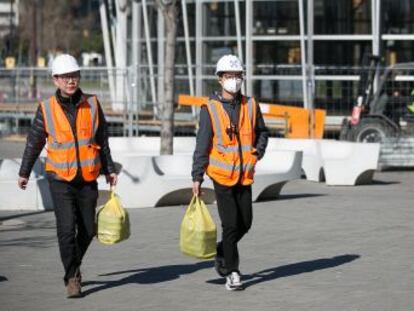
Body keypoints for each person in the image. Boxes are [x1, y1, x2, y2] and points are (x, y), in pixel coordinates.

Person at [17, 54, 117, 298]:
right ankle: (72, 277)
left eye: (74, 76)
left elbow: (101, 139)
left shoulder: (92, 104)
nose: (71, 81)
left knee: (87, 229)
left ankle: (72, 265)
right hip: (59, 177)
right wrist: (24, 172)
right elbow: (34, 142)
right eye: (66, 77)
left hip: (87, 177)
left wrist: (109, 169)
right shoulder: (46, 109)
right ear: (56, 80)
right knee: (65, 229)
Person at [191, 54, 268, 291]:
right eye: (229, 76)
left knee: (245, 222)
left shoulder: (251, 105)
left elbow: (262, 133)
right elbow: (202, 143)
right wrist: (197, 176)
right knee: (231, 224)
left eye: (237, 76)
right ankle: (231, 271)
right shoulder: (210, 108)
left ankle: (222, 250)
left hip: (244, 174)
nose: (234, 80)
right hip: (222, 176)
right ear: (220, 79)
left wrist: (257, 153)